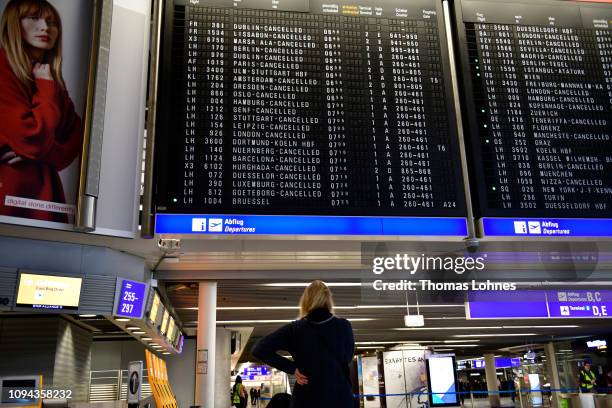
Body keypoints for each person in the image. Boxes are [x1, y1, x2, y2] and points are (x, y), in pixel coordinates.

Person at [0, 0, 82, 223]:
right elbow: (32, 139)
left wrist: (37, 149)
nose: (45, 27)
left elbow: (76, 137)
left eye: (51, 22)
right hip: (11, 194)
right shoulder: (3, 68)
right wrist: (46, 87)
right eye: (34, 18)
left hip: (45, 193)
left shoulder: (50, 78)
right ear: (14, 24)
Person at [252, 280, 355, 408]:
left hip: (307, 397)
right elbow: (348, 357)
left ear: (305, 300)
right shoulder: (343, 326)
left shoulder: (295, 329)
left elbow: (259, 349)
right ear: (328, 299)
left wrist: (292, 368)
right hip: (339, 397)